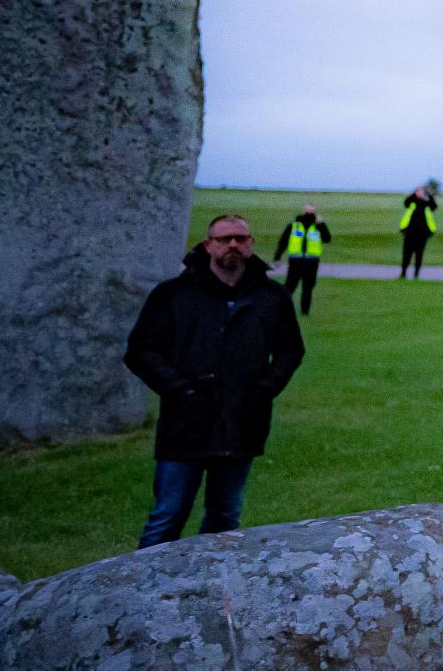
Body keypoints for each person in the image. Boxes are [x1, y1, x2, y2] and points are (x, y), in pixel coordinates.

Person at [124, 215, 306, 547]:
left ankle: (215, 591)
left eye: (240, 238)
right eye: (224, 239)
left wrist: (264, 389)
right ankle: (146, 592)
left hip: (242, 420)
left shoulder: (270, 296)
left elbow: (290, 350)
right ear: (208, 245)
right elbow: (141, 350)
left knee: (224, 518)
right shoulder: (174, 294)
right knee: (167, 517)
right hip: (185, 422)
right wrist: (180, 390)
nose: (232, 245)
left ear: (251, 243)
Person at [277, 203, 332, 317]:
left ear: (315, 214)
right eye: (307, 211)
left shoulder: (318, 227)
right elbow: (284, 241)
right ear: (302, 212)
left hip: (311, 261)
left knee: (308, 287)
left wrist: (322, 224)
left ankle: (304, 311)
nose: (308, 214)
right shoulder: (294, 226)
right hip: (296, 261)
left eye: (311, 212)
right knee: (290, 286)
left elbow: (327, 239)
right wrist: (278, 255)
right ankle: (281, 308)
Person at [399, 185, 439, 279]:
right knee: (406, 254)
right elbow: (406, 203)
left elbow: (434, 206)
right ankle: (403, 273)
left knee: (419, 255)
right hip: (410, 233)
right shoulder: (412, 202)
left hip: (422, 234)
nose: (420, 193)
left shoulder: (427, 203)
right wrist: (414, 194)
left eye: (422, 192)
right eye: (418, 191)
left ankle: (416, 274)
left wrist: (428, 195)